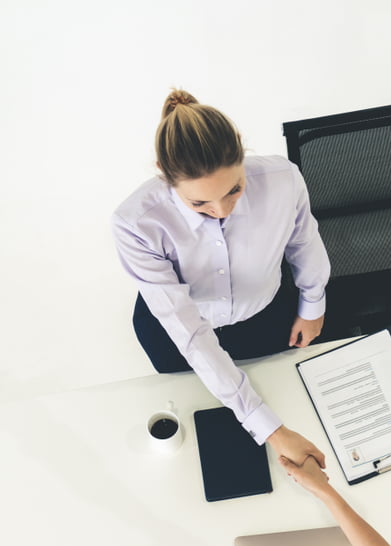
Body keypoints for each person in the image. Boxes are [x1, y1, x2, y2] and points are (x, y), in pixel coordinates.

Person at [111, 89, 331, 467]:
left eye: (234, 190)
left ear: (243, 153)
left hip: (266, 315)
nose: (221, 210)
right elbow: (191, 334)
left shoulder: (283, 179)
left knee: (292, 395)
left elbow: (303, 241)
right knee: (196, 431)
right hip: (178, 335)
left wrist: (312, 304)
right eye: (199, 204)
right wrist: (272, 431)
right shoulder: (135, 223)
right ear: (165, 178)